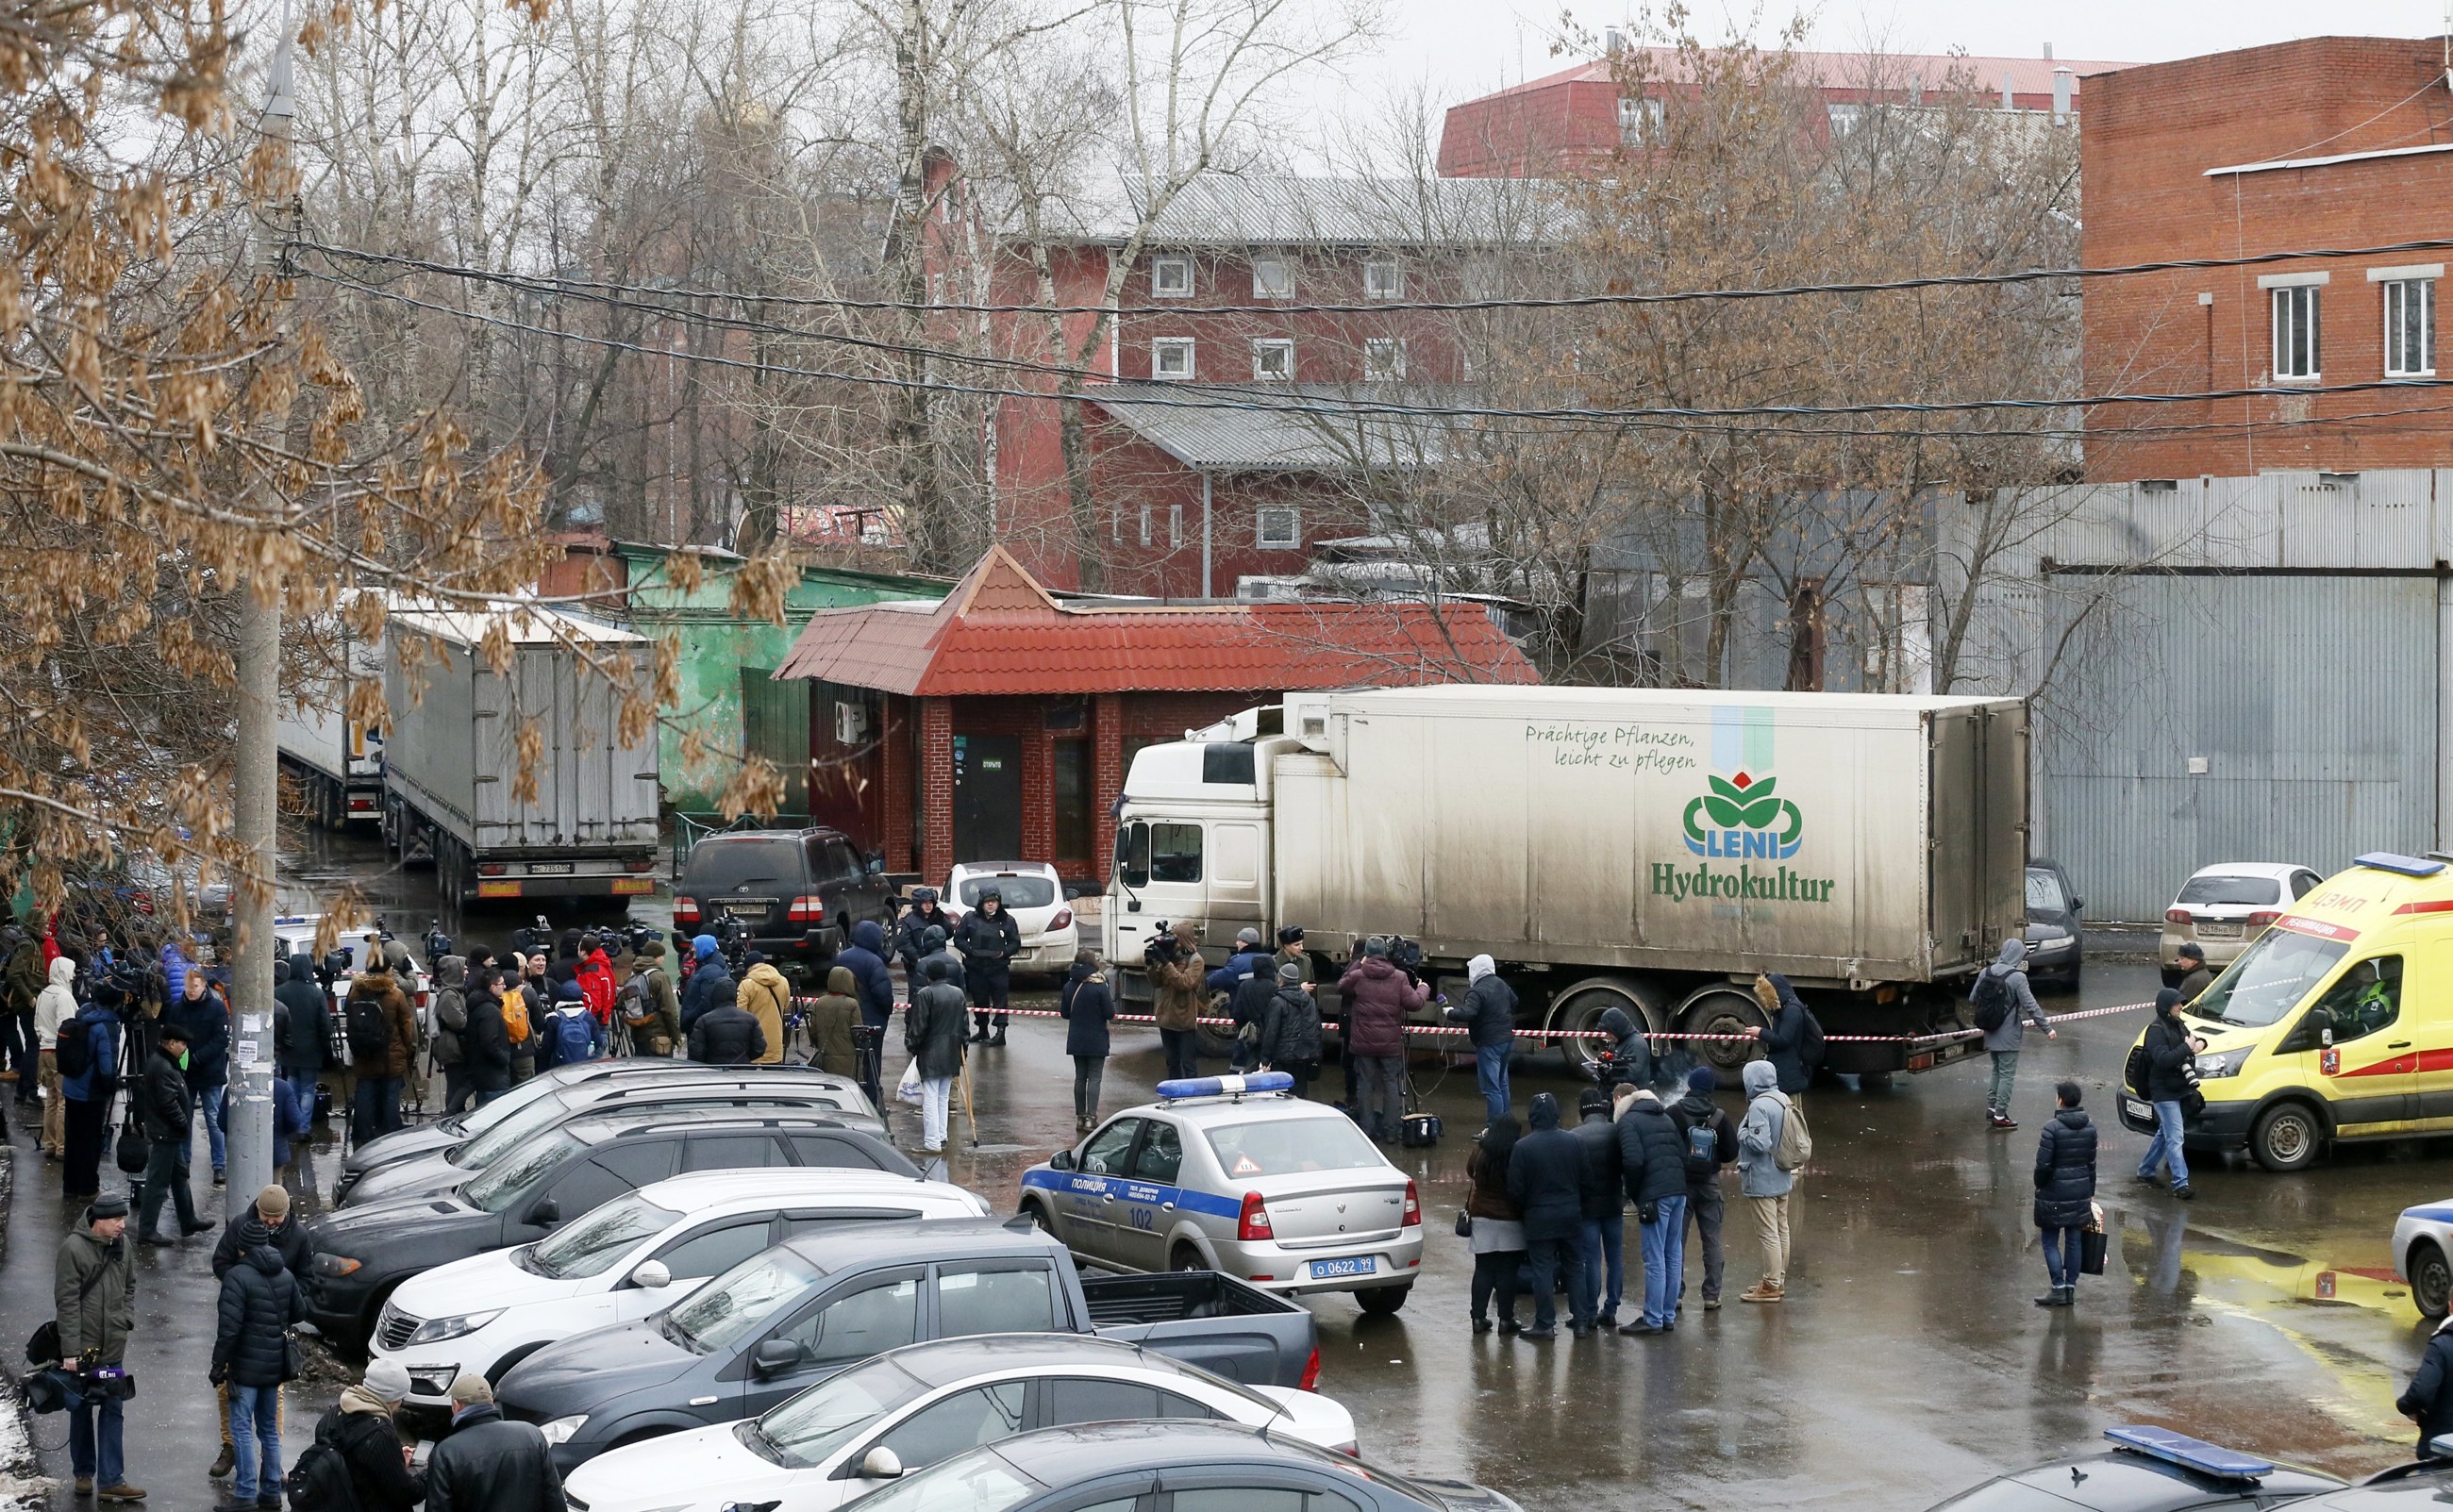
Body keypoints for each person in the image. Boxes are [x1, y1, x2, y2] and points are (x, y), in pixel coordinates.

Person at [209, 1187, 312, 1483]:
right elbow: (220, 1262)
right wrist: (245, 1288)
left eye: (276, 1218)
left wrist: (284, 1297)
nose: (270, 1222)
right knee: (227, 1390)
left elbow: (306, 1278)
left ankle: (270, 1460)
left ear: (286, 1213)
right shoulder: (241, 1225)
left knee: (273, 1396)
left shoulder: (299, 1237)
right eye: (265, 1216)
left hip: (274, 1328)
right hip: (241, 1319)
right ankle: (230, 1448)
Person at [57, 1192, 142, 1502]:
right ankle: (83, 1472)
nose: (122, 1224)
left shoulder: (123, 1245)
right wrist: (69, 1351)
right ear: (99, 1221)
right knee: (80, 1407)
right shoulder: (73, 1249)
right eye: (117, 1220)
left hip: (113, 1346)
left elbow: (130, 1284)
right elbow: (66, 1303)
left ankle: (111, 1479)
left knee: (113, 1407)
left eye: (123, 1219)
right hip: (83, 1348)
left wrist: (126, 1318)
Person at [1505, 1092, 1589, 1339]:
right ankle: (1581, 1321)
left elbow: (1515, 1189)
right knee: (1575, 1267)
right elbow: (1587, 1180)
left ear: (1532, 1117)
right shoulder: (1574, 1142)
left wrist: (1526, 1210)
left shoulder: (1522, 1148)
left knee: (1542, 1269)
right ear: (1556, 1115)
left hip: (1538, 1218)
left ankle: (1545, 1323)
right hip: (1571, 1215)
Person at [425, 1374, 564, 1512]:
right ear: (491, 1401)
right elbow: (554, 1497)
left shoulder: (446, 1452)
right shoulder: (532, 1434)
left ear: (456, 1406)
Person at [1615, 1079, 1689, 1334]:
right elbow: (1682, 1154)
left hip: (1654, 1195)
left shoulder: (1627, 1123)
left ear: (1619, 1101)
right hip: (1679, 1191)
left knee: (1654, 1257)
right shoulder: (1665, 1117)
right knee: (1673, 1254)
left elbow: (1633, 1162)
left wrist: (1635, 1194)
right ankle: (1667, 1315)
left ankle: (1653, 1319)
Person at [1339, 938, 1427, 1144]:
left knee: (1365, 1085)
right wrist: (1423, 988)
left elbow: (1341, 986)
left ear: (1366, 954)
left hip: (1363, 1043)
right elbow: (1414, 1004)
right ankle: (1391, 1132)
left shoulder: (1358, 976)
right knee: (1391, 1086)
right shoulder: (1399, 977)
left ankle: (1367, 1131)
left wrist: (1357, 965)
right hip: (1390, 1044)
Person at [1667, 1065, 1738, 1313]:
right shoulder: (1719, 1116)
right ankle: (1711, 1296)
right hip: (1710, 1185)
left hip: (1680, 1185)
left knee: (1676, 1241)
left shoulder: (1674, 1112)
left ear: (1690, 1086)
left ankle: (1675, 1295)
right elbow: (1731, 1152)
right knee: (1713, 1240)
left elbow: (1665, 1146)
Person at [310, 1361, 426, 1512]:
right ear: (393, 1399)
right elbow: (407, 1494)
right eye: (401, 1398)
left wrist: (394, 1460)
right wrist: (429, 1474)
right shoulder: (381, 1435)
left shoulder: (333, 1415)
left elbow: (355, 1466)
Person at [136, 1020, 212, 1245]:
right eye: (182, 1044)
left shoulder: (164, 1063)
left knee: (180, 1177)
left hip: (170, 1133)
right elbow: (168, 1102)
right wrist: (181, 1123)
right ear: (171, 1044)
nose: (185, 1048)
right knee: (157, 1183)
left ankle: (187, 1220)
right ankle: (147, 1231)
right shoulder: (163, 1067)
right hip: (166, 1133)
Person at [1974, 937, 2056, 1129]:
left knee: (1996, 1070)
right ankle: (2000, 1116)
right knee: (2007, 1074)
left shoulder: (1986, 971)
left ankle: (1992, 1108)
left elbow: (1972, 997)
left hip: (1989, 1030)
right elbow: (2031, 1006)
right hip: (2008, 1034)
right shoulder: (2018, 977)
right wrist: (2047, 1029)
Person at [1736, 1058, 1796, 1304]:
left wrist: (1742, 1133)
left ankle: (1771, 1285)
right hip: (1781, 1172)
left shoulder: (1759, 1106)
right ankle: (1777, 1279)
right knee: (1782, 1229)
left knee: (1768, 1233)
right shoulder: (1782, 1098)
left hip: (1762, 1177)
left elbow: (1760, 1143)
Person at [2033, 1079, 2097, 1308]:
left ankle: (2058, 1288)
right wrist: (2089, 1191)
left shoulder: (2051, 1128)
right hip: (2080, 1191)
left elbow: (2043, 1165)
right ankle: (2070, 1288)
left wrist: (2039, 1185)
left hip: (2054, 1192)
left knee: (2050, 1240)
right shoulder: (2090, 1126)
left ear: (2061, 1100)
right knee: (2074, 1240)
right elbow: (2091, 1163)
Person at [165, 966, 231, 1185]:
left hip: (210, 1072)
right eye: (188, 987)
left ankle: (219, 1165)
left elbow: (220, 1039)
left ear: (203, 986)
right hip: (185, 1073)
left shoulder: (216, 1008)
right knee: (185, 1118)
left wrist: (196, 1058)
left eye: (195, 986)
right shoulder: (177, 1009)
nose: (191, 991)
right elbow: (170, 1037)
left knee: (213, 1119)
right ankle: (184, 1163)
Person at [2136, 988, 2203, 1200]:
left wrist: (2200, 1043)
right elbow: (2163, 1059)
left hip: (2178, 1089)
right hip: (2164, 1092)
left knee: (2165, 1134)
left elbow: (2191, 1040)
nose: (2181, 1007)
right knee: (2176, 1136)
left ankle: (2145, 1170)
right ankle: (2180, 1184)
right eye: (2177, 1004)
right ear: (2166, 1007)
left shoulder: (2177, 1024)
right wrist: (2186, 1048)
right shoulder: (2156, 1030)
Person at [58, 986, 123, 1203]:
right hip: (90, 1093)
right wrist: (110, 1085)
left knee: (73, 1138)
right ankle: (88, 1188)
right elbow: (106, 1066)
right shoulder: (106, 1026)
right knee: (90, 1141)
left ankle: (70, 1187)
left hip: (72, 1087)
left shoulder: (84, 1016)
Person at [1567, 1086, 1626, 1329]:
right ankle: (1610, 1309)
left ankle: (1590, 1312)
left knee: (1591, 1259)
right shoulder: (1616, 1132)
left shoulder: (1574, 1136)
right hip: (1613, 1204)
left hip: (1587, 1208)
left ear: (1582, 1110)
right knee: (1615, 1259)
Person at [342, 959, 417, 1142]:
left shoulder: (355, 992)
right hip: (390, 1054)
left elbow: (350, 1020)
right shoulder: (395, 994)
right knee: (391, 1094)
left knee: (365, 1092)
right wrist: (408, 1048)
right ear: (387, 970)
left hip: (363, 1053)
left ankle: (362, 1132)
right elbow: (406, 1025)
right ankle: (390, 1131)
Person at [1466, 1114, 1526, 1334]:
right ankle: (1505, 1319)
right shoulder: (1517, 1152)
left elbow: (1470, 1171)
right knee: (1508, 1272)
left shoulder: (1480, 1150)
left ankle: (1478, 1319)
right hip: (1511, 1218)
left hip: (1482, 1216)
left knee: (1483, 1269)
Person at [906, 956, 968, 1155]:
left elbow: (919, 1027)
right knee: (942, 1096)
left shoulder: (925, 994)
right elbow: (964, 1026)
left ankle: (932, 1142)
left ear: (929, 977)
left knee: (930, 1098)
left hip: (931, 1053)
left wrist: (912, 1045)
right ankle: (941, 1136)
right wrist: (963, 1049)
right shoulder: (958, 994)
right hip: (951, 1053)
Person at [1446, 955, 1516, 1126]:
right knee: (1502, 1084)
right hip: (1506, 1040)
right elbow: (1515, 1001)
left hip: (1489, 1043)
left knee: (1491, 1088)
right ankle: (1506, 1125)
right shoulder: (1501, 984)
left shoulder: (1476, 991)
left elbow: (1468, 1013)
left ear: (1476, 969)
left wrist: (1449, 1012)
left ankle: (1494, 1129)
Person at [837, 921, 897, 1103]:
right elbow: (883, 995)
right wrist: (886, 1012)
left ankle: (847, 1100)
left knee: (848, 1060)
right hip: (871, 1022)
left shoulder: (841, 958)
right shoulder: (875, 963)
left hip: (845, 1019)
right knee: (871, 1064)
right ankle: (870, 1102)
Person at [954, 888, 1021, 1046]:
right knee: (979, 999)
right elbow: (959, 939)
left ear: (998, 903)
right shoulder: (970, 919)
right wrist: (970, 950)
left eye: (994, 901)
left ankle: (1000, 1032)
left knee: (1000, 1000)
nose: (990, 905)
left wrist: (1003, 953)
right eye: (987, 902)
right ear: (981, 903)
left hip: (998, 967)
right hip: (976, 967)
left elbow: (1015, 943)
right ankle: (982, 1029)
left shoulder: (1007, 920)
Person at [1059, 950, 1112, 1133]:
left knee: (1080, 1077)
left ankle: (1080, 1118)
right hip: (1097, 1039)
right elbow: (1110, 1013)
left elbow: (1065, 1013)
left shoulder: (1069, 986)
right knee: (1095, 1078)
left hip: (1076, 1039)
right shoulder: (1099, 986)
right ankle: (1092, 1118)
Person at [274, 953, 327, 1118]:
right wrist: (326, 1049)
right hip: (311, 1050)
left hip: (289, 1048)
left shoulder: (279, 992)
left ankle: (292, 1120)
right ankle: (303, 1126)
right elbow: (325, 1024)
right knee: (307, 1089)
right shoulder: (316, 993)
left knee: (292, 1083)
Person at [1257, 962, 1322, 1100]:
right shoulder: (1309, 1000)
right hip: (1304, 1055)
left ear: (1280, 979)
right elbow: (1316, 1027)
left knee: (1282, 1094)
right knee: (1300, 1094)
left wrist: (1265, 1059)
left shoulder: (1278, 1001)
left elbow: (1271, 1032)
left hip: (1283, 1056)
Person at [1151, 922, 1207, 1081]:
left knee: (1188, 1064)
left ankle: (1191, 1097)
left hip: (1184, 1020)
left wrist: (1167, 963)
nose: (1174, 942)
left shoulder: (1196, 960)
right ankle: (1174, 1095)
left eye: (1176, 938)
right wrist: (1151, 965)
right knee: (1172, 1062)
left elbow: (1184, 983)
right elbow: (1156, 983)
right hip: (1166, 1018)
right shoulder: (1172, 957)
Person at [1747, 972, 1817, 1098]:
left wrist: (1760, 1032)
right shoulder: (1785, 1009)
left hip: (1790, 1073)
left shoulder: (1791, 1010)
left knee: (1791, 1114)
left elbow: (1784, 1039)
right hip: (1786, 1070)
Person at [34, 951, 76, 1157]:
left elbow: (36, 1024)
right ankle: (62, 1147)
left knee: (51, 1099)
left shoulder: (44, 994)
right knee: (63, 1100)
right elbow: (67, 1027)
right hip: (58, 1051)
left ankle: (50, 1143)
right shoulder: (64, 996)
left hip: (44, 1049)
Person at [619, 939, 683, 1057]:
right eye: (661, 956)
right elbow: (669, 1010)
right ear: (654, 957)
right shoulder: (660, 977)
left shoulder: (633, 975)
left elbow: (621, 1003)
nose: (663, 959)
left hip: (639, 1035)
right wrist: (676, 1036)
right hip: (659, 1037)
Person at [2401, 1316, 2453, 1459]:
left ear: (2450, 1306)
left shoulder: (2442, 1344)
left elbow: (2421, 1393)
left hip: (2442, 1448)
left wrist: (2404, 1405)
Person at [463, 966, 514, 1107]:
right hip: (493, 1077)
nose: (504, 987)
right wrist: (504, 1058)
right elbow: (489, 1042)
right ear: (492, 987)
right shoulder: (490, 1010)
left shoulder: (479, 1005)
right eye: (501, 984)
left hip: (483, 1073)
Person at [7, 927, 43, 1117]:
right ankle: (29, 1090)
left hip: (26, 1003)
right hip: (27, 1004)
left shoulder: (29, 942)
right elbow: (14, 974)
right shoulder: (29, 944)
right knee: (34, 1045)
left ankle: (22, 1091)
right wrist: (29, 997)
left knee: (32, 1044)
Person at [428, 954, 470, 1115]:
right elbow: (458, 1022)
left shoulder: (456, 992)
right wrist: (472, 1019)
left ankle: (456, 1112)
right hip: (452, 1047)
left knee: (459, 1083)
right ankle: (451, 1114)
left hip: (456, 1045)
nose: (466, 971)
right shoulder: (449, 995)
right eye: (463, 968)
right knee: (458, 1083)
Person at [801, 965, 859, 1077]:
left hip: (825, 1058)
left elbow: (813, 1032)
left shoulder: (820, 1002)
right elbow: (857, 1033)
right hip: (848, 1060)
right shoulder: (852, 1004)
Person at [686, 985, 765, 1067]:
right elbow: (759, 1048)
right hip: (743, 1070)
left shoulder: (703, 1021)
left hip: (714, 1071)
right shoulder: (751, 1019)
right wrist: (744, 1058)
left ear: (714, 996)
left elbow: (696, 1052)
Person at [736, 954, 790, 1066]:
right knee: (773, 1081)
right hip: (775, 1044)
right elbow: (785, 1006)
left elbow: (740, 1015)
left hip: (753, 1045)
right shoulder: (783, 982)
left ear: (749, 967)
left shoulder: (746, 985)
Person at [892, 889, 953, 981]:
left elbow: (948, 934)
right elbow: (903, 943)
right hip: (916, 967)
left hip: (937, 964)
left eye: (930, 902)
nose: (928, 905)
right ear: (918, 904)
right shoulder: (909, 920)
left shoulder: (937, 917)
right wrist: (917, 959)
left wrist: (943, 920)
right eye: (925, 902)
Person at [543, 979, 605, 1068]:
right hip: (583, 1068)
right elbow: (598, 1042)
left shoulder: (554, 1018)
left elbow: (546, 1048)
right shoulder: (588, 1017)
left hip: (559, 1069)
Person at [676, 935, 732, 1033]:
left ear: (704, 948)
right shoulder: (705, 968)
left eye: (695, 946)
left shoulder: (711, 973)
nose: (692, 949)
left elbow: (707, 1004)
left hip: (700, 1028)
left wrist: (688, 1018)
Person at [513, 953, 548, 1084]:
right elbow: (539, 1022)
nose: (541, 963)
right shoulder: (527, 992)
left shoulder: (496, 987)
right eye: (537, 959)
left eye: (543, 959)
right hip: (526, 1047)